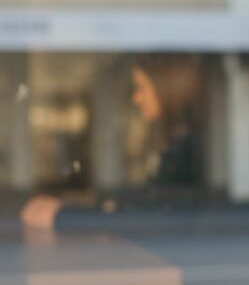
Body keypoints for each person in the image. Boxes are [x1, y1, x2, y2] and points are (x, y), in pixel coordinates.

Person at [20, 55, 205, 231]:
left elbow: (151, 218)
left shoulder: (185, 151)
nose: (136, 98)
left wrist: (64, 216)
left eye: (141, 87)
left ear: (166, 90)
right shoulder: (176, 145)